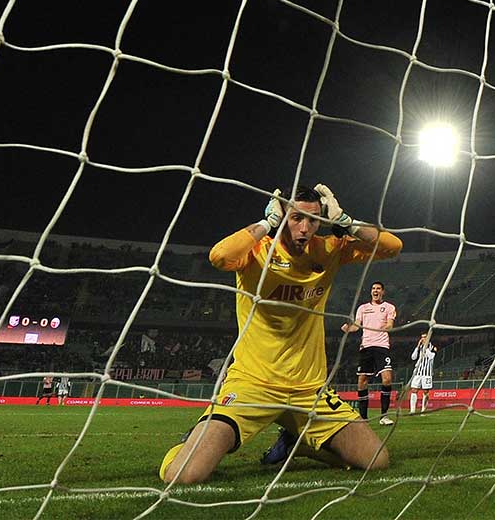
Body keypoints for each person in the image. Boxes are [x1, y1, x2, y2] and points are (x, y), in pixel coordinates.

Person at [159, 184, 402, 484]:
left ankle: (296, 444)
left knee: (377, 460)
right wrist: (267, 224)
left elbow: (393, 247)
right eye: (295, 218)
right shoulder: (257, 253)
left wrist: (345, 221)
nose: (304, 227)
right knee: (184, 475)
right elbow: (219, 256)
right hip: (253, 385)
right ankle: (190, 444)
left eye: (312, 219)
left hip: (308, 390)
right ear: (281, 216)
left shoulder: (328, 250)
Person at [341, 281, 397, 425]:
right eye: (373, 288)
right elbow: (357, 326)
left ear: (383, 292)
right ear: (371, 291)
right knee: (362, 381)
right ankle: (363, 418)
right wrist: (348, 328)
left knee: (387, 378)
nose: (375, 291)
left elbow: (390, 324)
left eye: (378, 288)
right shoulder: (363, 308)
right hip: (366, 347)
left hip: (382, 346)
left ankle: (384, 416)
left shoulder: (389, 307)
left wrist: (384, 327)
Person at [409, 334, 436, 415]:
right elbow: (413, 357)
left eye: (424, 337)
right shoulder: (419, 347)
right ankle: (412, 410)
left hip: (427, 373)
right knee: (414, 390)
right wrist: (417, 346)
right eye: (422, 337)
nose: (423, 339)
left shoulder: (432, 347)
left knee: (425, 391)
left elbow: (431, 356)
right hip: (418, 372)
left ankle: (423, 410)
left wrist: (426, 348)